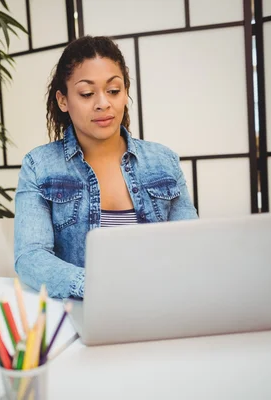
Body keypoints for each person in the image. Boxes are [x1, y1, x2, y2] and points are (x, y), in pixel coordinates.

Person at [14, 36, 198, 299]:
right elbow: (30, 256)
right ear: (63, 100)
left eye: (113, 91)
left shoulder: (163, 161)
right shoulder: (39, 166)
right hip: (84, 310)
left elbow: (190, 244)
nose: (103, 103)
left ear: (125, 94)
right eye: (87, 93)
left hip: (162, 303)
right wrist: (96, 287)